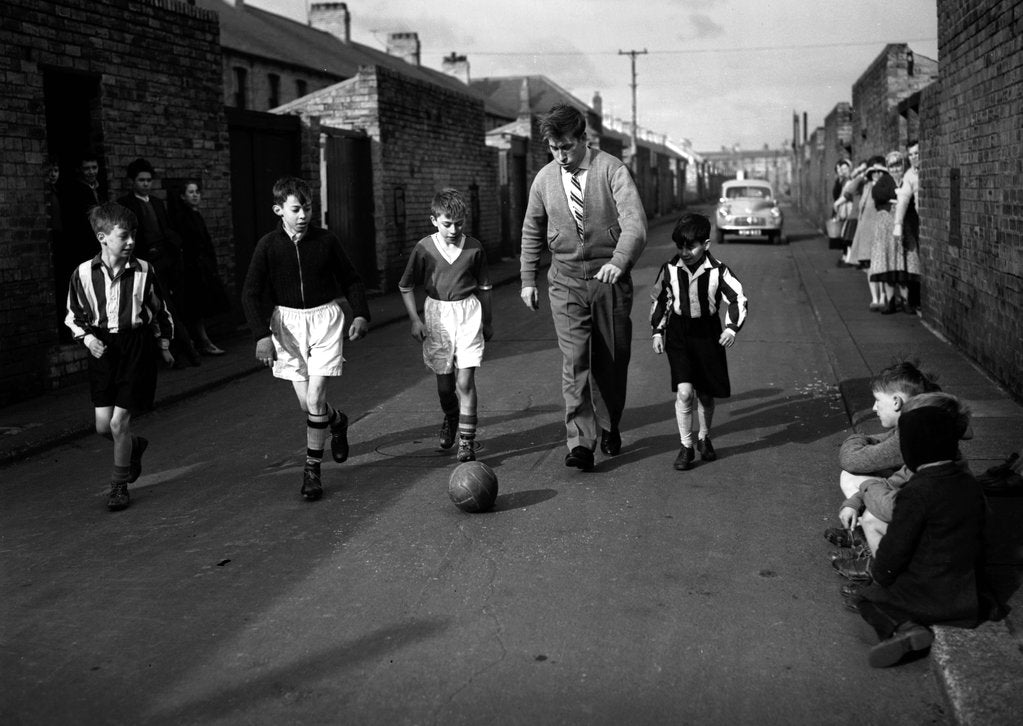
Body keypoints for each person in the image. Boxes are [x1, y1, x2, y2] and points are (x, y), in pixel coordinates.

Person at [519, 103, 647, 472]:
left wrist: (618, 261)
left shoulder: (612, 170)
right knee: (575, 361)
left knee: (611, 361)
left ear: (583, 139)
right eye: (553, 149)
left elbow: (635, 224)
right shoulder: (544, 179)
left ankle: (609, 425)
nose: (560, 156)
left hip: (610, 280)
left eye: (566, 148)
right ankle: (580, 442)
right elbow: (531, 230)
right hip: (566, 281)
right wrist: (528, 279)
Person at [241, 176, 370, 501]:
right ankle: (337, 421)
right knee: (306, 403)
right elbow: (250, 293)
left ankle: (312, 470)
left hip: (325, 320)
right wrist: (261, 335)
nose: (303, 215)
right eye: (296, 209)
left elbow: (351, 279)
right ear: (279, 210)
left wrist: (360, 314)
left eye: (308, 208)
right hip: (286, 326)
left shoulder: (325, 241)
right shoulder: (268, 245)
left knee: (313, 401)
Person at [842, 393, 986, 668]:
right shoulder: (969, 484)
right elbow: (980, 534)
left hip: (925, 593)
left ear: (912, 448)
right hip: (965, 595)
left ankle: (905, 628)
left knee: (869, 599)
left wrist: (882, 576)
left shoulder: (917, 492)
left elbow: (897, 546)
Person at [64, 202, 175, 511]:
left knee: (118, 423)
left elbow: (158, 309)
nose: (130, 242)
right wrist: (88, 339)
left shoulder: (143, 270)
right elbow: (73, 316)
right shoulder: (83, 274)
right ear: (102, 237)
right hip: (102, 349)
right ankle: (134, 447)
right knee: (103, 426)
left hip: (135, 348)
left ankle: (118, 486)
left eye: (133, 236)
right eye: (123, 236)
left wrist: (164, 343)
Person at [399, 188, 493, 463]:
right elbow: (405, 286)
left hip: (468, 313)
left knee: (465, 380)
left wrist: (487, 321)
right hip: (437, 314)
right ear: (434, 220)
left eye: (459, 224)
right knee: (444, 386)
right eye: (447, 224)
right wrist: (415, 320)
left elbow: (485, 287)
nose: (453, 229)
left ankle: (466, 442)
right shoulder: (424, 248)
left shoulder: (475, 247)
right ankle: (452, 416)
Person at [826, 361, 943, 578]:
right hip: (920, 510)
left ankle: (876, 561)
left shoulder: (910, 439)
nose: (873, 408)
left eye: (878, 400)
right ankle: (865, 535)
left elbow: (851, 459)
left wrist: (863, 491)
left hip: (923, 525)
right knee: (867, 487)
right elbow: (898, 478)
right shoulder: (917, 430)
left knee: (862, 492)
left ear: (897, 402)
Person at [650, 213, 747, 471]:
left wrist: (731, 328)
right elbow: (660, 299)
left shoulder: (719, 270)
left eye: (690, 246)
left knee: (705, 394)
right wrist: (658, 331)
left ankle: (704, 437)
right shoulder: (669, 269)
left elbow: (738, 298)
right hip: (679, 333)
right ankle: (686, 446)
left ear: (706, 245)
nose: (684, 252)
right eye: (680, 247)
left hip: (708, 332)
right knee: (684, 393)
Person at [116, 158, 198, 366]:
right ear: (132, 182)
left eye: (148, 180)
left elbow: (167, 228)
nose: (145, 184)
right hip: (145, 262)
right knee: (160, 307)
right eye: (141, 180)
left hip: (166, 260)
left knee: (175, 304)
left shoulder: (157, 203)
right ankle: (179, 352)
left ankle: (182, 351)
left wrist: (173, 247)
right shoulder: (126, 205)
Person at [168, 179, 231, 355]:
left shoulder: (196, 215)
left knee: (200, 307)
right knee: (194, 307)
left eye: (197, 191)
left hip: (202, 267)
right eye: (190, 192)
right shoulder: (182, 218)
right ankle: (200, 342)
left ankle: (201, 341)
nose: (195, 195)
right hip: (190, 269)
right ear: (182, 196)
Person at [869, 151, 921, 315]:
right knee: (889, 263)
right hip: (886, 230)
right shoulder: (884, 180)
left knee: (904, 264)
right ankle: (890, 301)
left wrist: (899, 197)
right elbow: (877, 194)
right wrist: (896, 195)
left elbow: (910, 198)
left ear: (903, 165)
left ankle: (906, 301)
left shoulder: (906, 178)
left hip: (904, 227)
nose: (895, 169)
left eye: (898, 165)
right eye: (892, 166)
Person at [893, 141, 922, 314]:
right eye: (910, 155)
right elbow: (903, 198)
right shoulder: (909, 175)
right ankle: (915, 301)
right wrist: (898, 224)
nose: (913, 158)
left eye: (916, 153)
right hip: (919, 223)